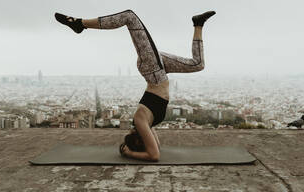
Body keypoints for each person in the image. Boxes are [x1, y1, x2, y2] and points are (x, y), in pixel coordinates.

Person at [54, 9, 215, 162]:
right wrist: (130, 153)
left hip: (153, 70)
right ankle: (198, 24)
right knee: (198, 64)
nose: (131, 130)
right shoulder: (144, 123)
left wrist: (130, 152)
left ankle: (80, 24)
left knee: (129, 17)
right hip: (156, 70)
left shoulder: (140, 121)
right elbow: (154, 154)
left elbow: (153, 152)